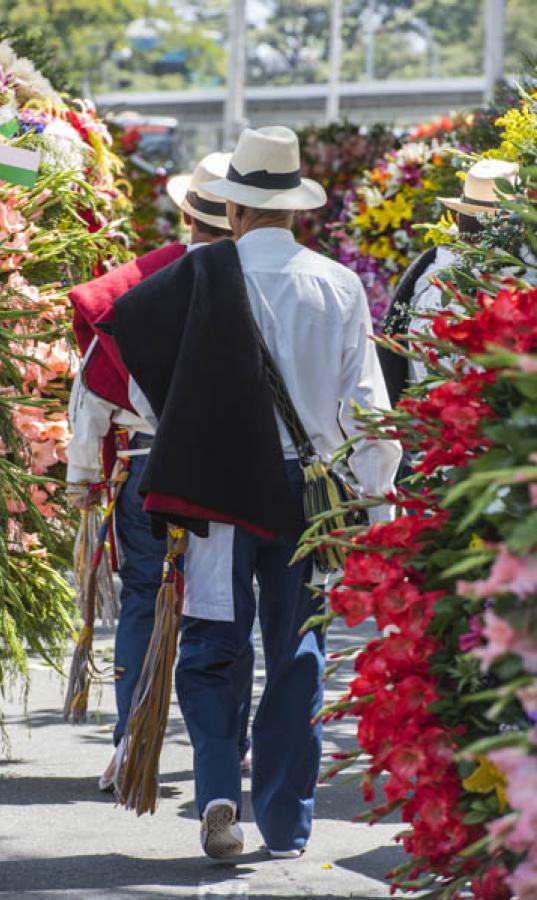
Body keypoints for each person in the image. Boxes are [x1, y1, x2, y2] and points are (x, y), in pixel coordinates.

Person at [156, 126, 401, 860]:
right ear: (295, 209)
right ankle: (286, 825)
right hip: (308, 492)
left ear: (231, 210)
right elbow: (368, 408)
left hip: (218, 487)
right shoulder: (337, 283)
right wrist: (378, 504)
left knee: (211, 645)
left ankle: (215, 791)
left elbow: (146, 389)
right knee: (297, 652)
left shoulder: (196, 278)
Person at [66, 152, 254, 790]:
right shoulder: (260, 283)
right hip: (230, 466)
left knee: (145, 601)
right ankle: (235, 743)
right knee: (229, 609)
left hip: (146, 469)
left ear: (185, 214)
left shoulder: (132, 287)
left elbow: (91, 393)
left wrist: (82, 475)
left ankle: (128, 742)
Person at [379, 158, 520, 405]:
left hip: (428, 433)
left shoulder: (427, 273)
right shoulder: (513, 282)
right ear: (516, 227)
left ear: (456, 218)